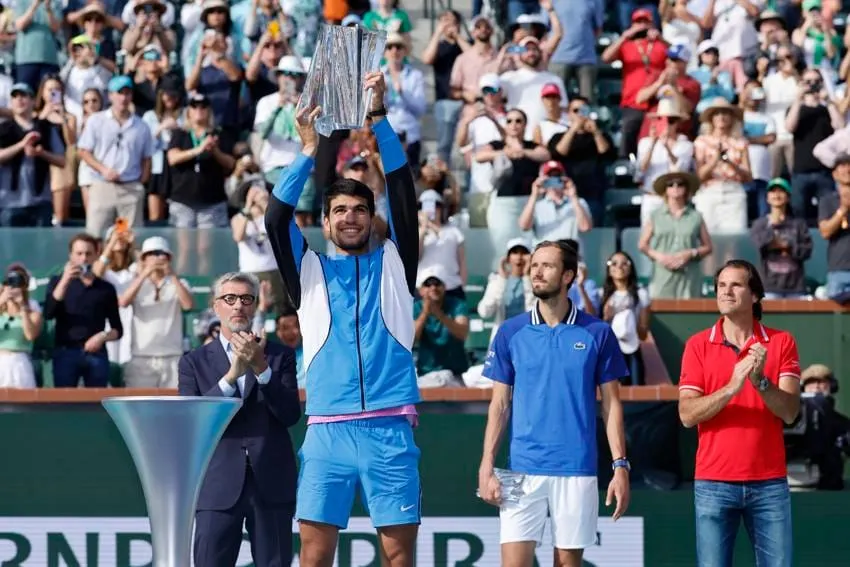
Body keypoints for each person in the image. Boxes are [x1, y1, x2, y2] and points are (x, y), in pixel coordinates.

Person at [265, 72, 421, 567]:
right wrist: (308, 150)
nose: (351, 217)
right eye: (339, 210)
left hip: (390, 429)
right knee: (313, 558)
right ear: (325, 222)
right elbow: (274, 218)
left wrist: (378, 118)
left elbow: (401, 192)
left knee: (399, 559)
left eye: (360, 209)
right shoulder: (307, 272)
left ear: (371, 218)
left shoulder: (396, 265)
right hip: (327, 431)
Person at [478, 240, 630, 567]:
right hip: (521, 468)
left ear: (567, 276)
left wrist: (620, 466)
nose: (537, 271)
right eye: (534, 265)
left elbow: (612, 406)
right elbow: (499, 405)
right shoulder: (509, 332)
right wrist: (486, 463)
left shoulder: (598, 333)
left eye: (547, 265)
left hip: (576, 468)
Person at [679, 259, 801, 567]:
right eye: (721, 285)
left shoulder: (782, 341)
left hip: (769, 483)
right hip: (713, 483)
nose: (725, 292)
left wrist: (760, 382)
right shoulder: (696, 345)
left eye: (735, 285)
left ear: (755, 295)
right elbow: (687, 414)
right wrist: (733, 386)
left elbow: (789, 412)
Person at [177, 271, 301, 567]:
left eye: (246, 299)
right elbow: (194, 421)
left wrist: (261, 369)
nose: (238, 306)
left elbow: (289, 414)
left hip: (270, 481)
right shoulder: (193, 361)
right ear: (215, 306)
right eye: (229, 299)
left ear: (256, 304)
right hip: (216, 484)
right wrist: (233, 375)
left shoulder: (279, 356)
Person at [44, 233, 123, 387]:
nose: (83, 258)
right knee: (63, 402)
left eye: (88, 254)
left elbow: (117, 329)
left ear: (96, 255)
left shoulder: (105, 288)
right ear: (71, 256)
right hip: (65, 352)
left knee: (96, 404)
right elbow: (49, 313)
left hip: (96, 354)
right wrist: (65, 280)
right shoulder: (57, 282)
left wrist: (101, 337)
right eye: (79, 254)